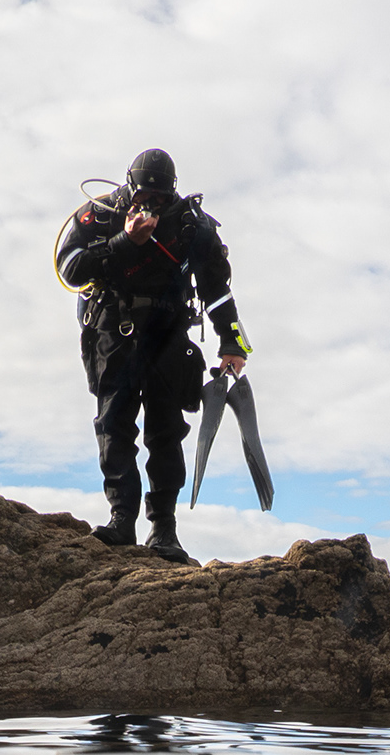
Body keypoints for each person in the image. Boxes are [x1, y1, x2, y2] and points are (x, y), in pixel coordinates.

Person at [57, 149, 252, 562]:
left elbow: (218, 293)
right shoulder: (101, 215)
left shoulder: (191, 226)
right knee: (114, 424)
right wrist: (124, 241)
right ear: (129, 189)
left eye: (159, 200)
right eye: (144, 197)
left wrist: (233, 344)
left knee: (166, 431)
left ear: (172, 194)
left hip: (168, 333)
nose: (151, 206)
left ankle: (163, 529)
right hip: (114, 331)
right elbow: (69, 269)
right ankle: (121, 520)